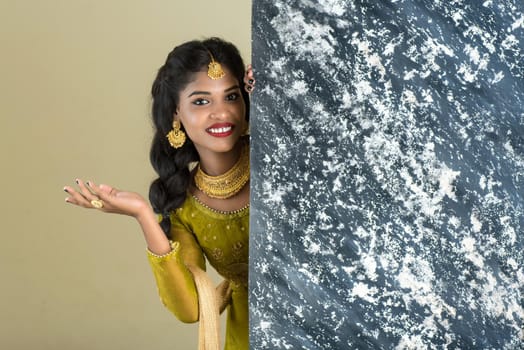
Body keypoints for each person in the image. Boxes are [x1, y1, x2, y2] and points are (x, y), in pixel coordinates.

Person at [63, 37, 255, 350]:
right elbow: (190, 308)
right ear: (176, 114)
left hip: (336, 319)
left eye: (231, 96)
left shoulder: (277, 161)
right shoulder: (184, 206)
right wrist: (143, 214)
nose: (222, 113)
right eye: (202, 101)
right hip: (252, 336)